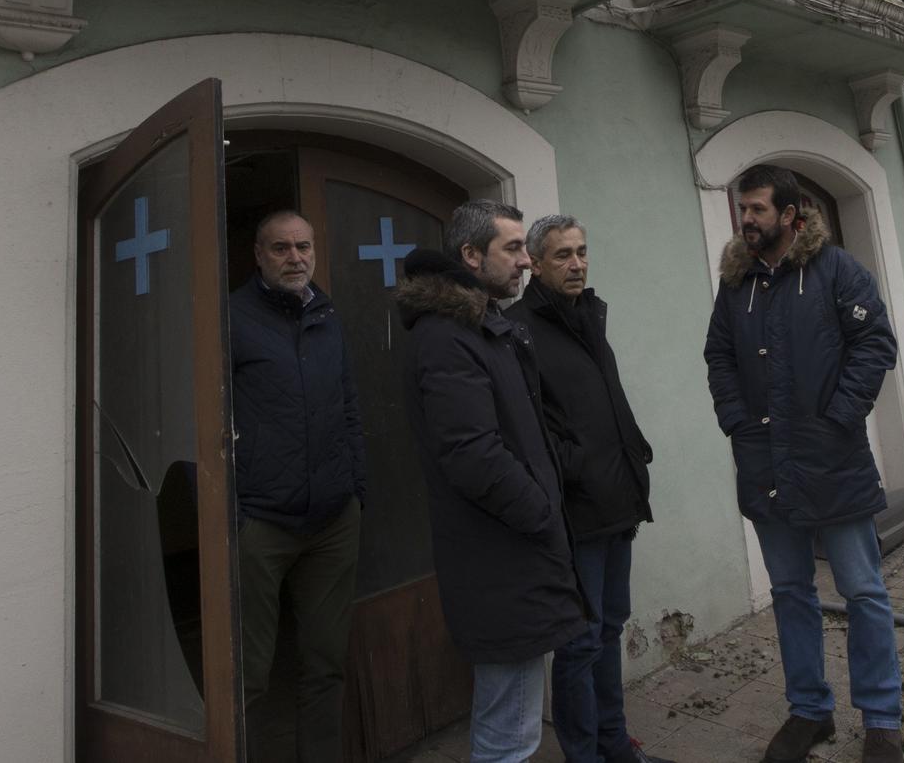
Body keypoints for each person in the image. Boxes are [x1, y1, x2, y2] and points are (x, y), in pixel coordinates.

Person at [702, 166, 903, 763]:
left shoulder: (837, 271)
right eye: (743, 210)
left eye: (758, 209)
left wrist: (839, 416)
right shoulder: (737, 283)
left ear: (791, 214)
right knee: (791, 591)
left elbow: (876, 344)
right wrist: (737, 420)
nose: (747, 220)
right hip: (765, 464)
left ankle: (882, 719)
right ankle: (808, 712)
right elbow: (718, 355)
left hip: (832, 459)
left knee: (863, 590)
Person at [399, 201, 588, 763]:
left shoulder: (484, 327)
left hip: (514, 553)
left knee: (514, 716)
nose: (527, 262)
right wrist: (541, 513)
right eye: (513, 249)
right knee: (509, 733)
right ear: (470, 255)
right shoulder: (447, 337)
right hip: (501, 554)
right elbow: (472, 453)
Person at [509, 216, 662, 763]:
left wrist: (630, 459)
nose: (576, 264)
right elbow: (530, 428)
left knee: (611, 627)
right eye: (562, 256)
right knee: (579, 641)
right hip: (576, 510)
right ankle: (586, 754)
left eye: (581, 252)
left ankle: (615, 742)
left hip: (618, 499)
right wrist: (578, 469)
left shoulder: (588, 316)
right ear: (535, 263)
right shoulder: (520, 330)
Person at [230, 209, 366, 763]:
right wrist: (230, 512)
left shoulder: (326, 313)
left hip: (333, 521)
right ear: (258, 256)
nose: (296, 257)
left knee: (325, 664)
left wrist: (356, 487)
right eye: (281, 248)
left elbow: (349, 405)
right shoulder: (231, 317)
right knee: (248, 675)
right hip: (259, 522)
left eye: (303, 246)